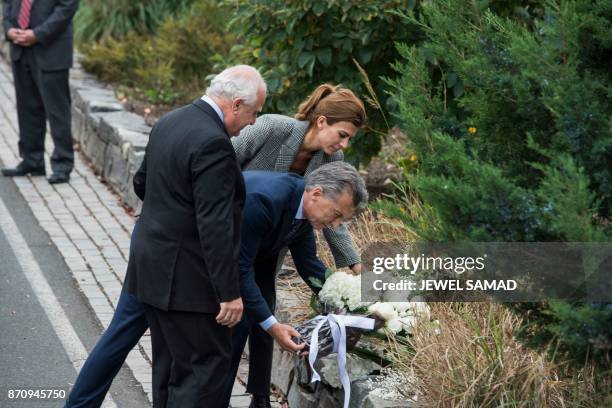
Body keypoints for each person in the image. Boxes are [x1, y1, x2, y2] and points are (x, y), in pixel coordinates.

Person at [64, 65, 266, 408]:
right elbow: (214, 224)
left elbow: (142, 183)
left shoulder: (171, 120)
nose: (253, 122)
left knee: (168, 369)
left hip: (150, 262)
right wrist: (229, 293)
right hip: (187, 281)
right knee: (201, 373)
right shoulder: (214, 143)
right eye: (253, 113)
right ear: (235, 104)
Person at [230, 83, 366, 407]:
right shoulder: (271, 128)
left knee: (265, 306)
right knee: (248, 312)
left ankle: (260, 395)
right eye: (342, 134)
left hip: (277, 238)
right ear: (322, 122)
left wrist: (354, 265)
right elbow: (221, 161)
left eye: (348, 139)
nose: (343, 144)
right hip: (239, 225)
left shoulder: (332, 158)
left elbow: (328, 213)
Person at [1, 0, 80, 184]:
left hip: (51, 48)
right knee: (27, 108)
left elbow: (67, 6)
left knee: (57, 111)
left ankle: (62, 164)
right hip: (20, 48)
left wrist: (38, 34)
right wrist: (8, 28)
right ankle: (32, 161)